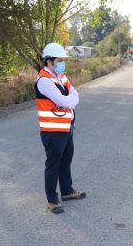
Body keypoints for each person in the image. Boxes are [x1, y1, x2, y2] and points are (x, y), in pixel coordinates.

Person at [35, 43, 86, 214]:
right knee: (53, 164)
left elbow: (75, 95)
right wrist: (68, 101)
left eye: (63, 60)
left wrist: (69, 100)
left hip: (66, 128)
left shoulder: (60, 76)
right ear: (49, 62)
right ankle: (52, 200)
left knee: (66, 161)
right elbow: (65, 101)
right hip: (53, 131)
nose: (63, 63)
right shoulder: (44, 81)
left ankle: (67, 191)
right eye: (60, 60)